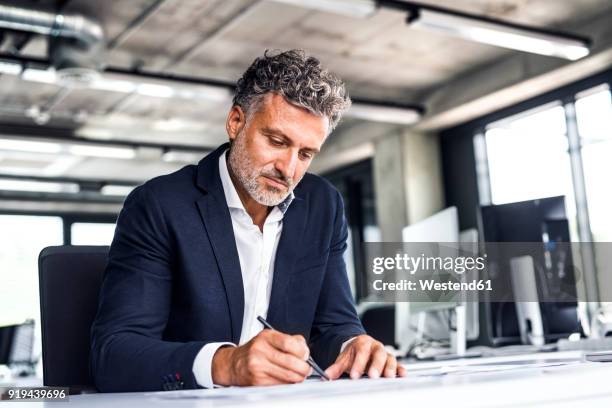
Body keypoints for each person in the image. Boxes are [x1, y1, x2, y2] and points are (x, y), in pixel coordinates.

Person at [90, 49, 406, 392]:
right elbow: (114, 354)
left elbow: (333, 325)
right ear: (236, 122)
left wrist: (352, 346)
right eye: (276, 141)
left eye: (305, 154)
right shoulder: (159, 205)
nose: (288, 169)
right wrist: (225, 364)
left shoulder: (323, 206)